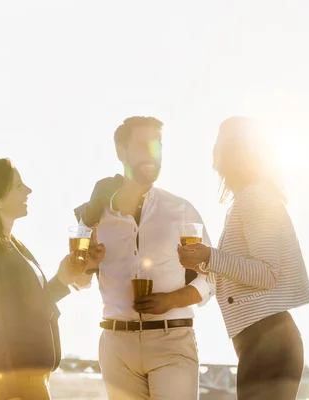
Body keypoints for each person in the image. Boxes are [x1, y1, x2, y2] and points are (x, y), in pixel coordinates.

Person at [73, 116, 215, 399]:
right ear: (120, 152)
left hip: (171, 342)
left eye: (158, 146)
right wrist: (86, 268)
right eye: (142, 146)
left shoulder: (181, 210)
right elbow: (78, 281)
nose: (153, 154)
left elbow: (211, 277)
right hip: (116, 348)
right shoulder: (92, 218)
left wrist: (173, 300)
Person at [178, 116, 309, 400]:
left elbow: (266, 273)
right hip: (261, 342)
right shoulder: (244, 200)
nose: (212, 150)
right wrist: (204, 263)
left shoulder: (255, 198)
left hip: (270, 342)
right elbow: (239, 271)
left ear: (234, 150)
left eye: (217, 143)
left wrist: (211, 258)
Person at [0, 158, 105, 400]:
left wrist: (63, 278)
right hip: (16, 382)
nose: (28, 190)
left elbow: (30, 306)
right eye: (18, 186)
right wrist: (7, 389)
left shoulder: (12, 246)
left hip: (32, 378)